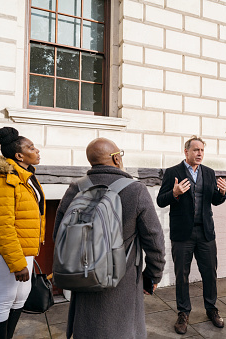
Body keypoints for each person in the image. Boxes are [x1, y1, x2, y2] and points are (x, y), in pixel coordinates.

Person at [53, 138, 165, 339]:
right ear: (115, 158)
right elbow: (154, 239)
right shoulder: (136, 190)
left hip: (83, 277)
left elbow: (58, 236)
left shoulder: (76, 188)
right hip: (123, 282)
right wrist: (152, 276)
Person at [0, 127, 46, 339]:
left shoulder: (25, 176)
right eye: (31, 147)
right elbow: (2, 225)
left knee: (20, 297)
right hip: (0, 250)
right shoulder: (3, 179)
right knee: (4, 299)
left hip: (22, 248)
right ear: (19, 155)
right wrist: (17, 262)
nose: (37, 150)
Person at [156, 136, 226, 334]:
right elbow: (161, 200)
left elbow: (214, 200)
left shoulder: (209, 173)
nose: (199, 153)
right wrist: (175, 193)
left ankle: (211, 309)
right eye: (195, 150)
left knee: (210, 274)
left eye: (202, 150)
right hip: (182, 234)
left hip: (205, 232)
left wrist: (222, 193)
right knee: (182, 275)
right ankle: (183, 312)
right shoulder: (173, 173)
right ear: (186, 151)